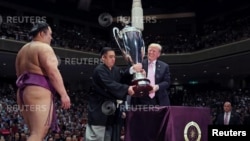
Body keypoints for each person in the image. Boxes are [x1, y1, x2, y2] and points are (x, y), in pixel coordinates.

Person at [15, 22, 71, 141]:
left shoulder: (22, 50)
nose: (51, 37)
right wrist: (64, 94)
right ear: (41, 33)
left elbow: (18, 75)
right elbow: (53, 73)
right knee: (38, 134)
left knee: (34, 133)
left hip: (23, 92)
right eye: (50, 34)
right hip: (38, 91)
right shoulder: (44, 48)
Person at [85, 47, 141, 141]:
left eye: (114, 57)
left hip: (110, 114)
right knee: (96, 138)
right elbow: (110, 84)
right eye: (110, 57)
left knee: (108, 138)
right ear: (103, 58)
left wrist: (132, 70)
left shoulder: (116, 70)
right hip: (98, 111)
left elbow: (123, 78)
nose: (113, 59)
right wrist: (127, 88)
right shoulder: (99, 70)